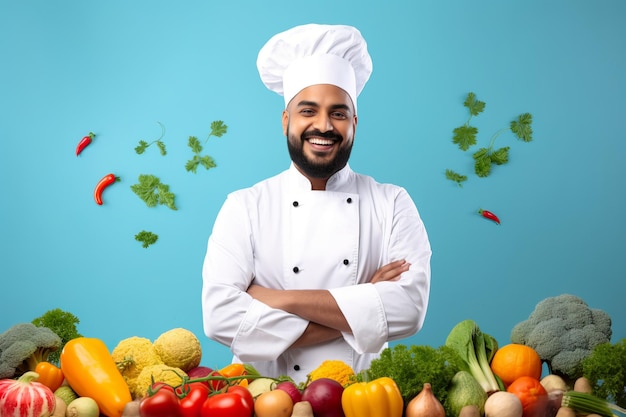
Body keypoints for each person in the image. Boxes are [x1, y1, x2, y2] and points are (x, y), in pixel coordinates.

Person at [201, 23, 431, 382]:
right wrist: (365, 300)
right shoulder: (245, 206)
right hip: (267, 399)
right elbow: (219, 317)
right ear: (286, 121)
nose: (323, 125)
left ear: (354, 122)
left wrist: (279, 299)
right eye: (308, 111)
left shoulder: (392, 202)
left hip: (361, 401)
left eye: (338, 113)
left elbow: (409, 310)